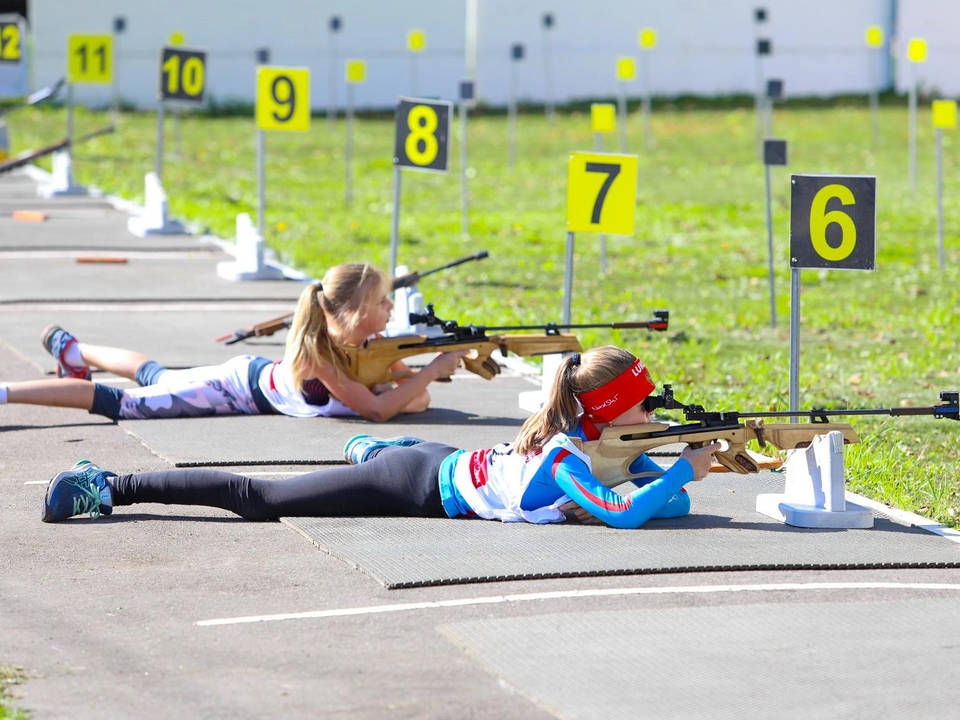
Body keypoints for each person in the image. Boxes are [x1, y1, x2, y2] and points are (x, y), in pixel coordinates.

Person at [39, 345, 720, 529]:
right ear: (604, 414)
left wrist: (671, 482)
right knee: (263, 499)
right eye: (641, 407)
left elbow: (666, 507)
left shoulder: (585, 446)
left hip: (443, 463)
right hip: (417, 484)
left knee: (381, 452)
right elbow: (628, 517)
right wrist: (682, 471)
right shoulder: (572, 460)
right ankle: (110, 485)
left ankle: (369, 449)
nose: (651, 414)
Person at [0, 263, 463, 423]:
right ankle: (6, 392)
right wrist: (430, 369)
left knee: (157, 376)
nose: (389, 311)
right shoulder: (320, 356)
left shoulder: (363, 348)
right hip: (233, 388)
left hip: (245, 382)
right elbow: (379, 410)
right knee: (126, 403)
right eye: (383, 303)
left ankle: (74, 352)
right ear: (354, 313)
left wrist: (408, 375)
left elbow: (414, 399)